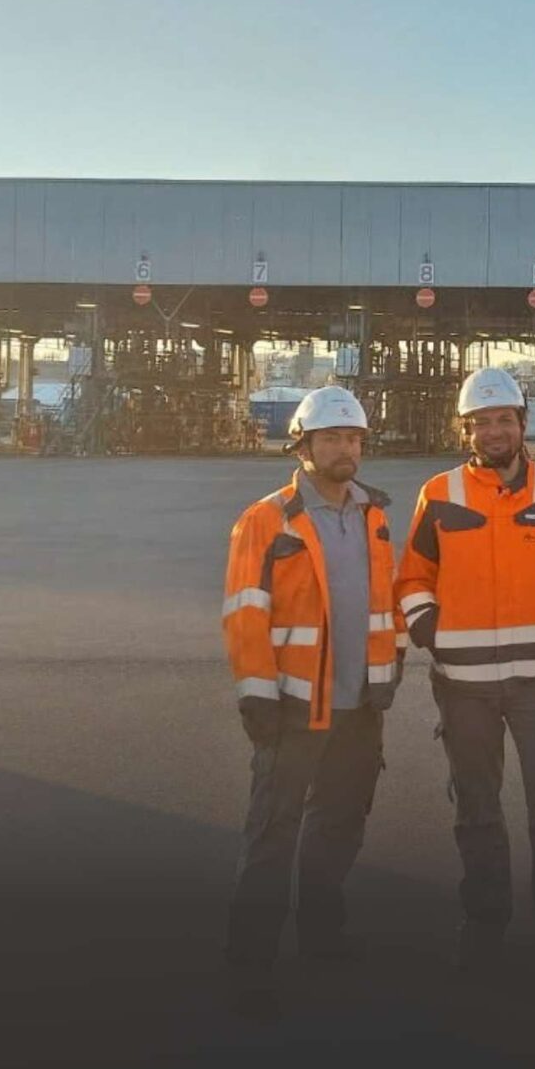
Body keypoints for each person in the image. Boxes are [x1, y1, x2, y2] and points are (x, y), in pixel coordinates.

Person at [394, 368, 535, 975]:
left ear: (522, 421)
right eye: (481, 422)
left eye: (503, 419)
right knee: (477, 811)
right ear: (467, 429)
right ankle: (485, 924)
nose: (493, 431)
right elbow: (413, 577)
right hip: (464, 688)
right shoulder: (441, 493)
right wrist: (428, 628)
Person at [221, 386, 405, 1000]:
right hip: (295, 705)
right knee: (272, 833)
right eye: (331, 438)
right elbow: (245, 612)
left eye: (353, 438)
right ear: (302, 445)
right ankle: (250, 968)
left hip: (359, 708)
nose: (345, 448)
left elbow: (388, 601)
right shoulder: (266, 520)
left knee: (339, 825)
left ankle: (322, 938)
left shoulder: (373, 515)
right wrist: (257, 694)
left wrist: (392, 665)